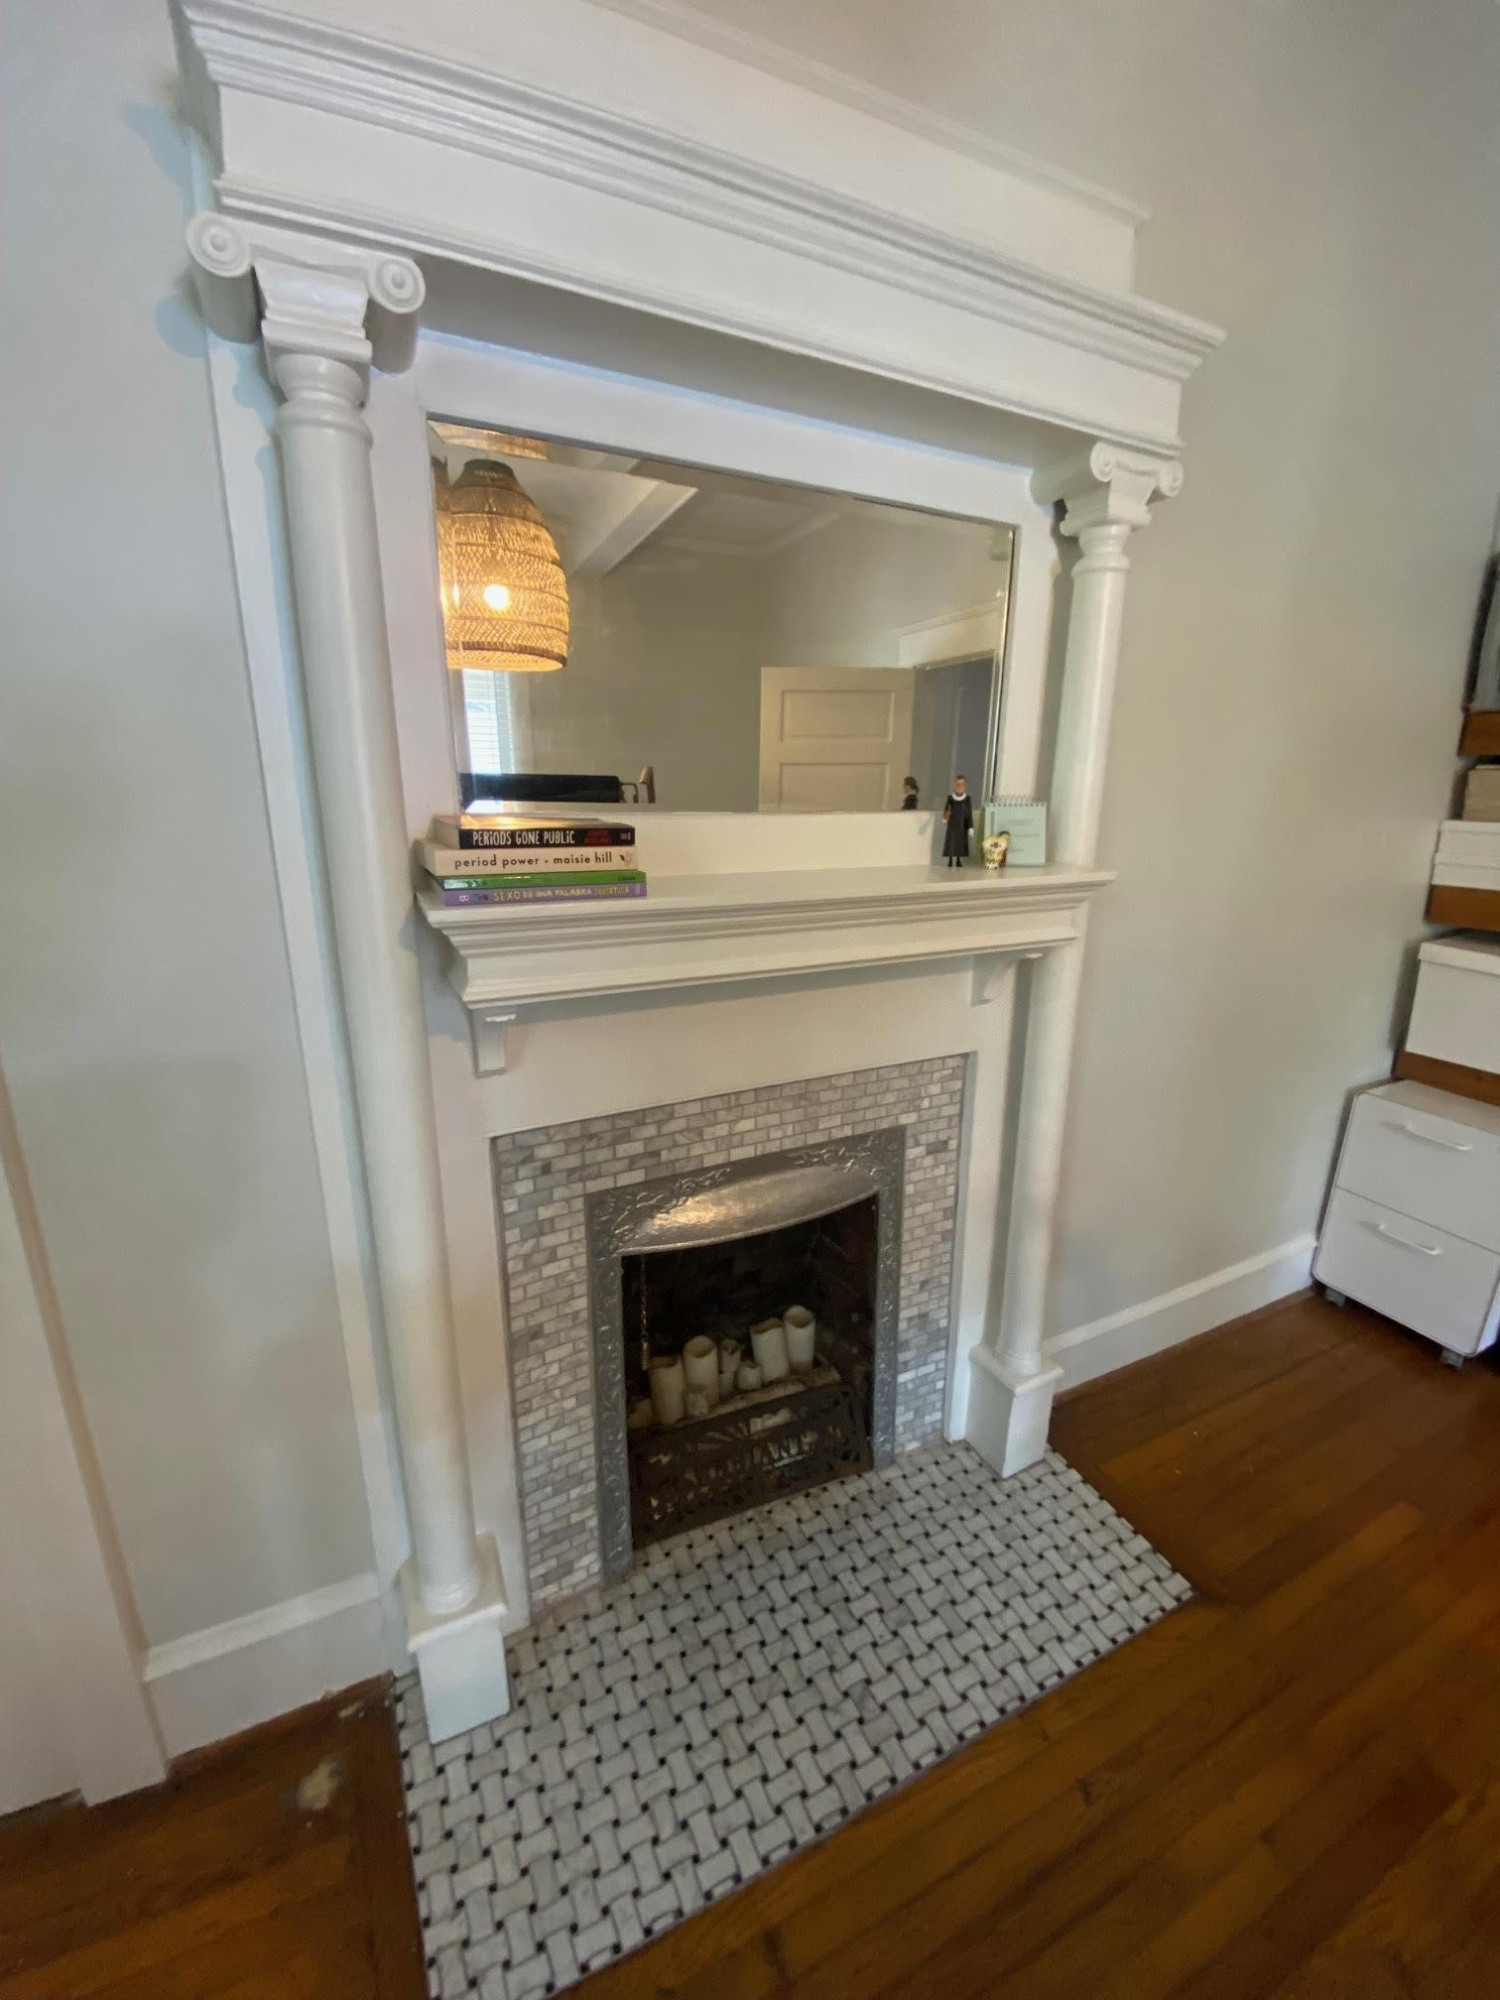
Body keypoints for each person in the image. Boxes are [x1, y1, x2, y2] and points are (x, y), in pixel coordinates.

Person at [942, 774, 974, 867]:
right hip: (952, 825)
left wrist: (970, 826)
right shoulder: (950, 798)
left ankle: (958, 860)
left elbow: (969, 814)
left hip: (962, 825)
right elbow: (946, 810)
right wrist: (945, 817)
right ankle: (950, 860)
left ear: (965, 786)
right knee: (951, 842)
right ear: (955, 786)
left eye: (962, 784)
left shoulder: (967, 799)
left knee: (960, 843)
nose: (960, 786)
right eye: (958, 784)